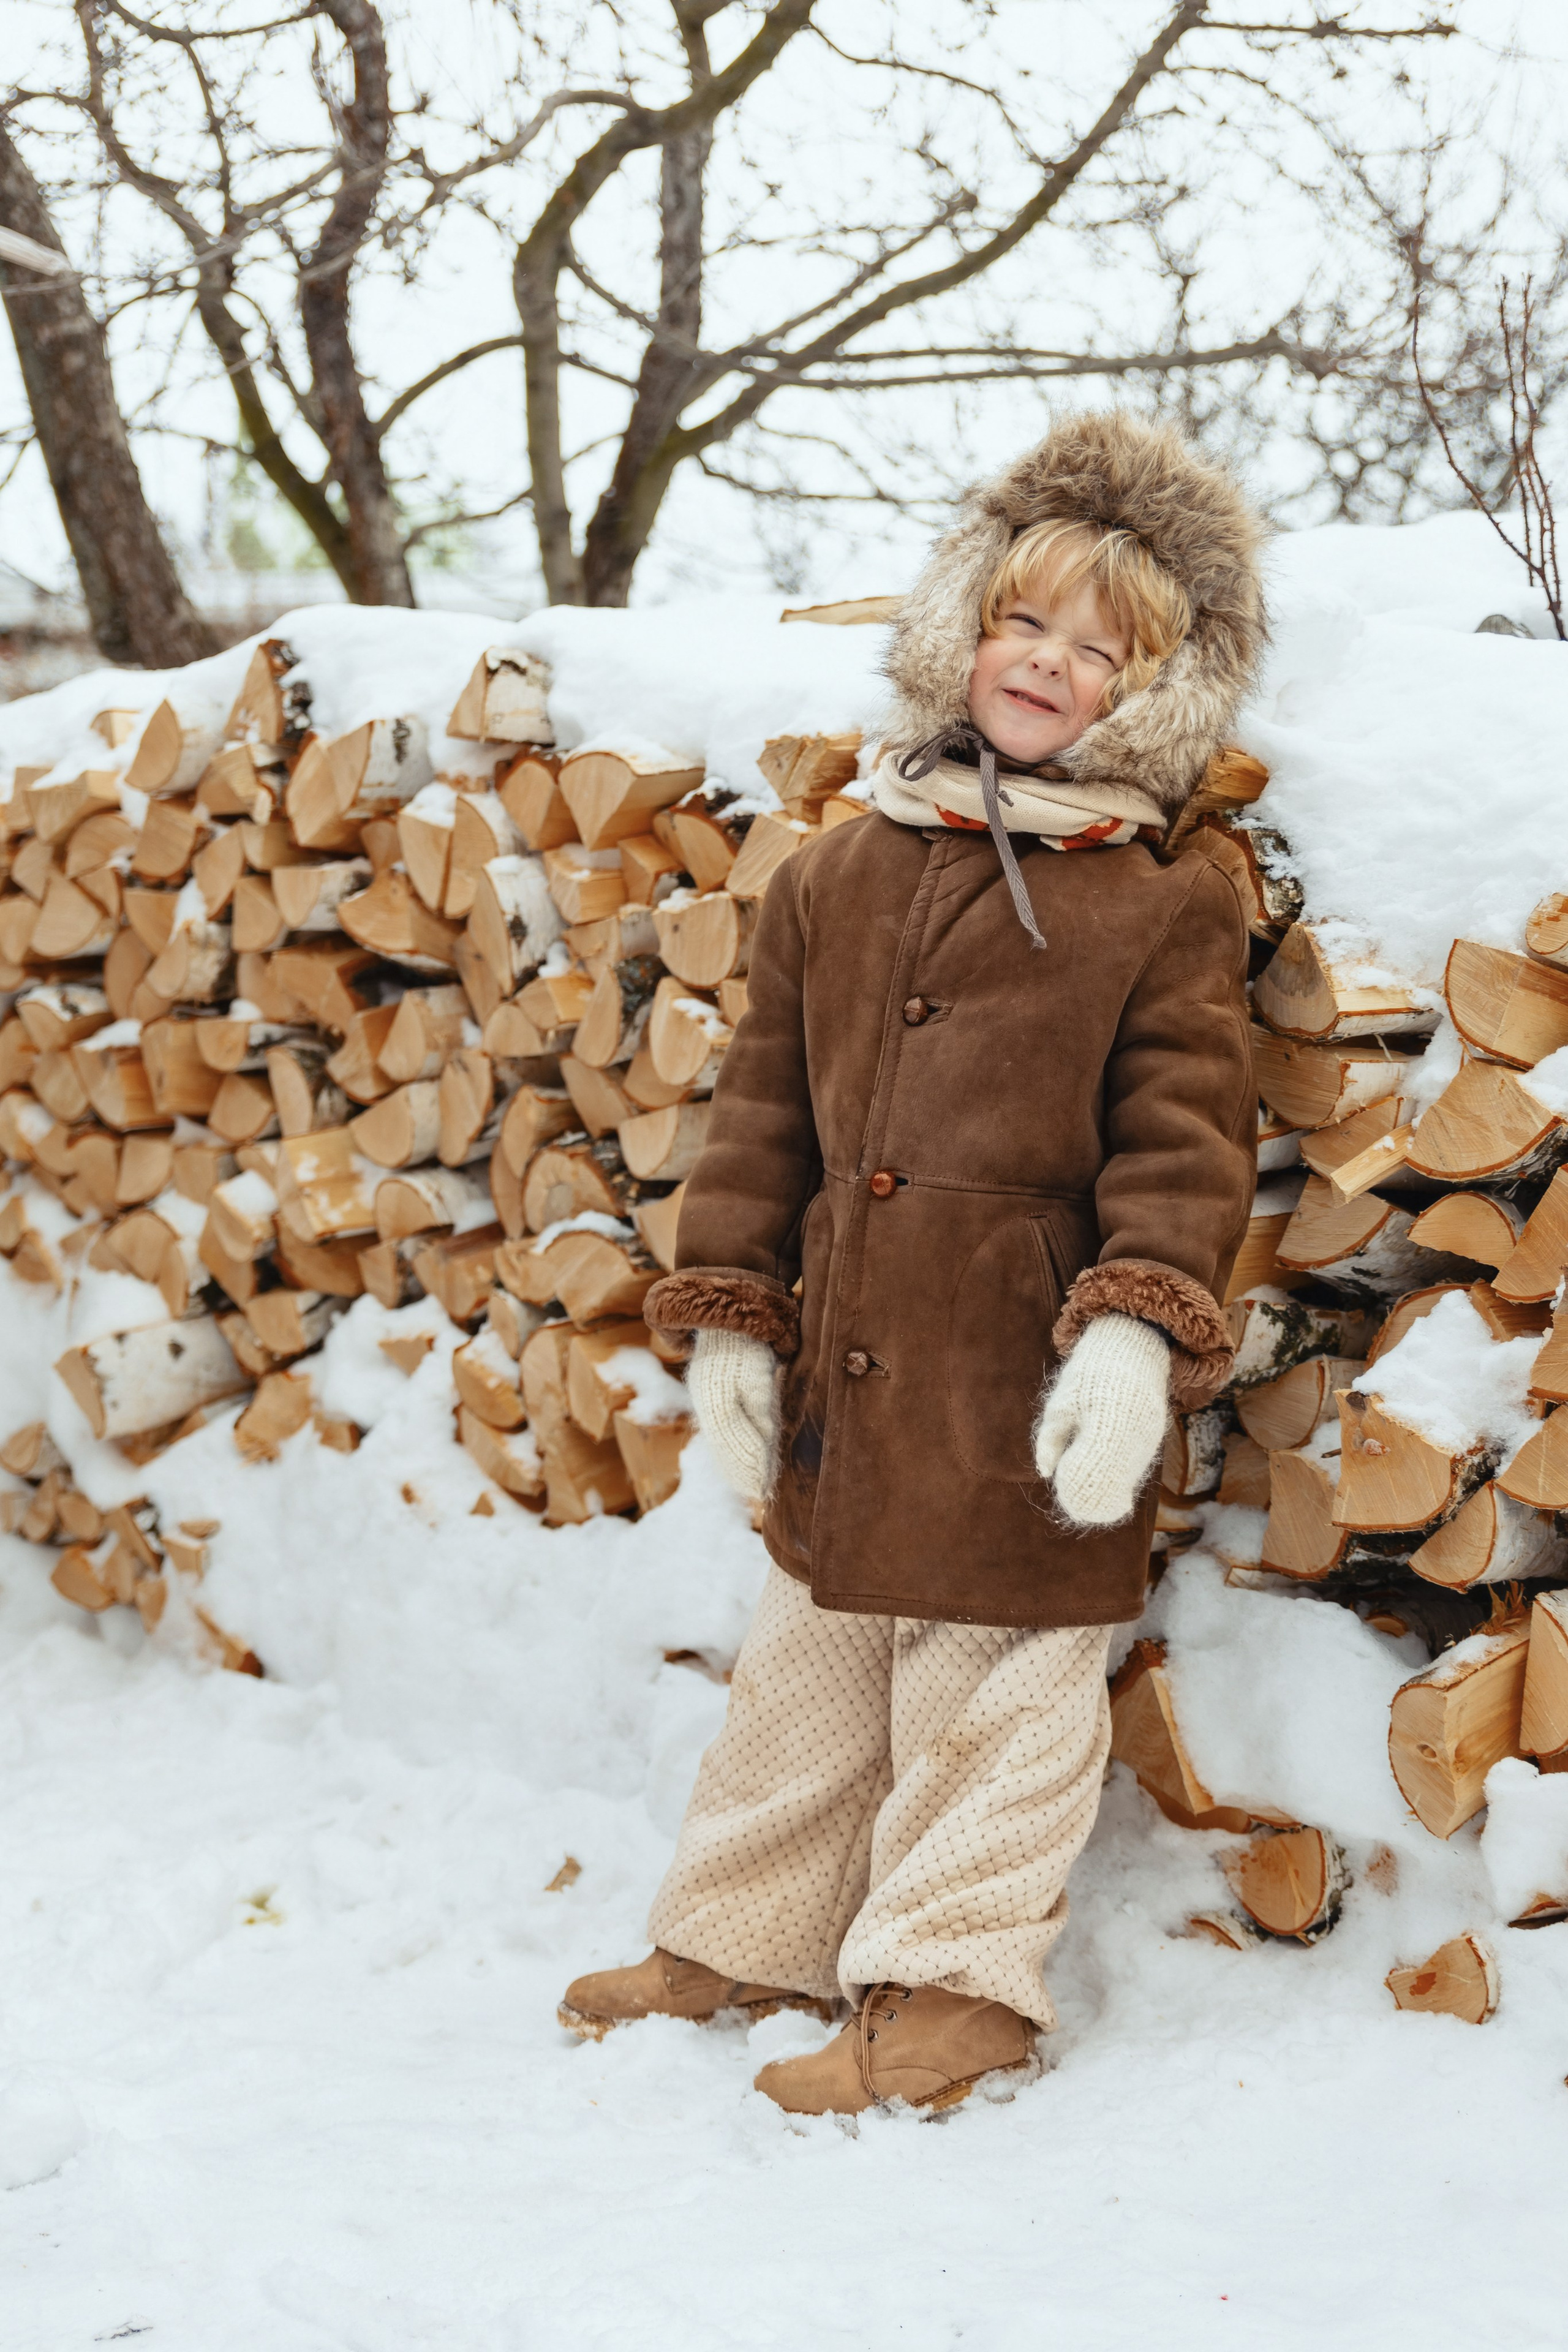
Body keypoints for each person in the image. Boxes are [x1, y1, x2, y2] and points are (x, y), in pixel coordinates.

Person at [559, 410, 1262, 2116]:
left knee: (996, 1703)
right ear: (962, 628)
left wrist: (1128, 1341)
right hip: (854, 1376)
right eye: (1024, 622)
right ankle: (744, 1931)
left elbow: (1186, 1141)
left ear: (1154, 695)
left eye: (1103, 650)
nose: (1049, 662)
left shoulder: (1157, 903)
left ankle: (956, 1997)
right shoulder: (841, 870)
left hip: (1028, 1390)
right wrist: (733, 1317)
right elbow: (757, 1118)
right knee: (804, 1677)